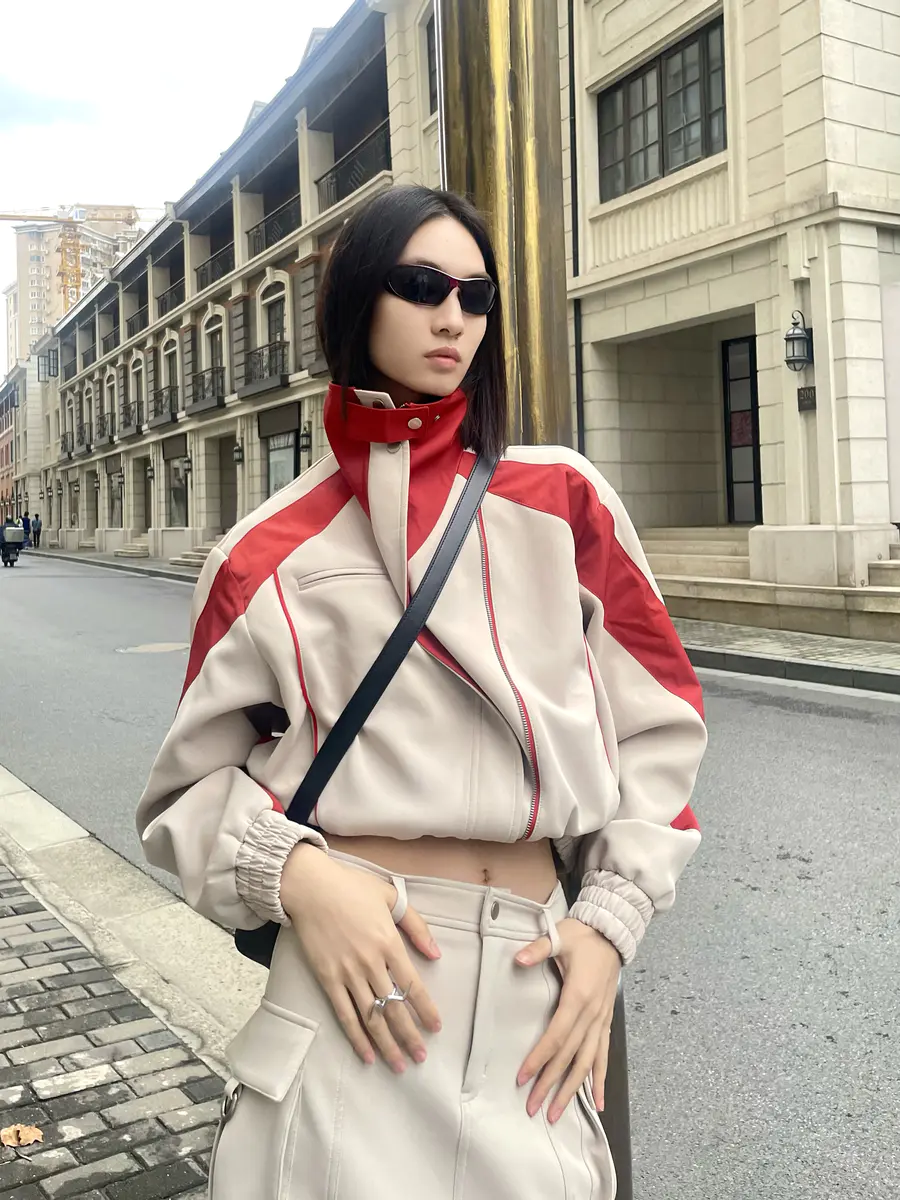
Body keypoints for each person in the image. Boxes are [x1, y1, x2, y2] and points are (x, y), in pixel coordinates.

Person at [136, 186, 707, 1200]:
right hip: (354, 999)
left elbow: (660, 727)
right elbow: (185, 797)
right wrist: (297, 878)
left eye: (476, 296)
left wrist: (611, 920)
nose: (454, 316)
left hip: (538, 993)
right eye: (421, 284)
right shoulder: (263, 555)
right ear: (356, 298)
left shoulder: (563, 501)